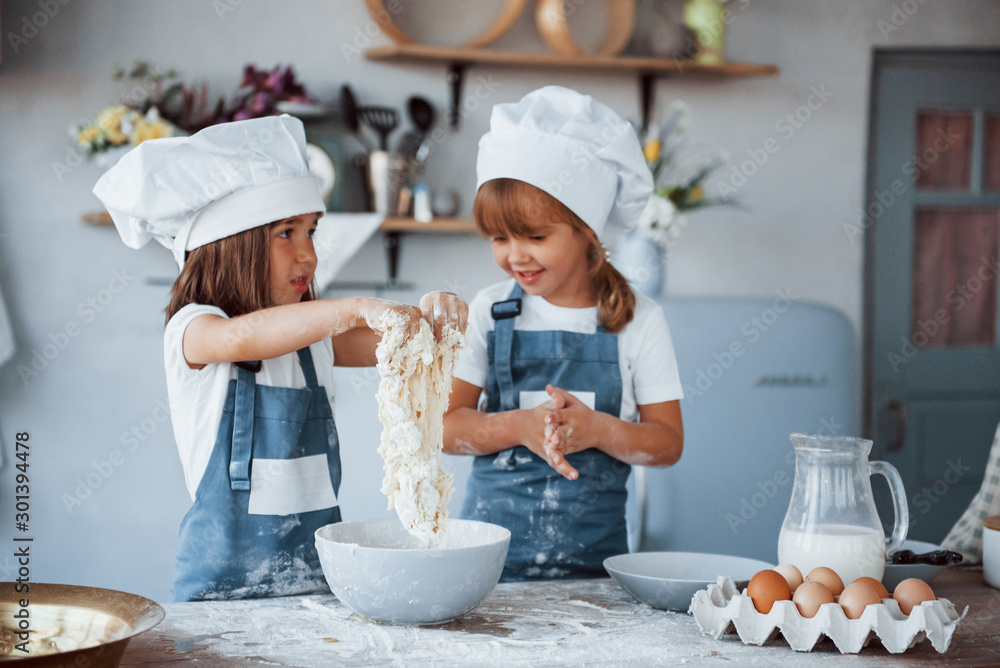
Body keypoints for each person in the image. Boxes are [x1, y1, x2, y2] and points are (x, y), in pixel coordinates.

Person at [93, 115, 467, 601]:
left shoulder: (313, 337)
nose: (309, 255)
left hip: (317, 588)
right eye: (286, 234)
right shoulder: (194, 329)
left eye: (311, 232)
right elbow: (242, 337)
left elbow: (400, 343)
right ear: (230, 246)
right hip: (219, 599)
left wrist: (432, 320)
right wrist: (354, 307)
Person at [443, 86, 685, 582]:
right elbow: (444, 428)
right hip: (486, 572)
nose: (516, 255)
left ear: (586, 231)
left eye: (535, 236)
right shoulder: (491, 310)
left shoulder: (639, 318)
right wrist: (518, 426)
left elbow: (667, 444)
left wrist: (598, 430)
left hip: (597, 575)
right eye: (499, 237)